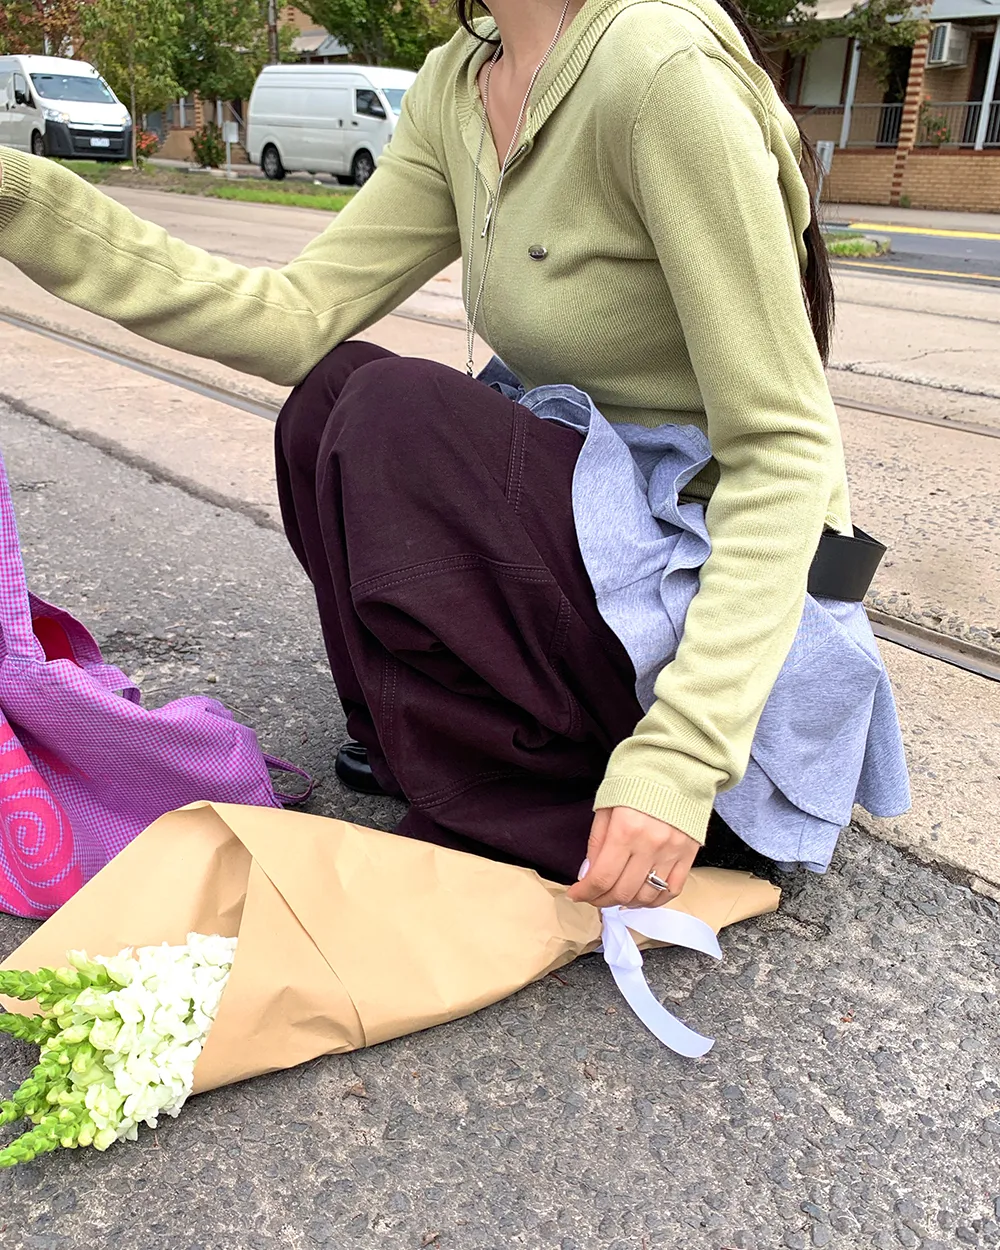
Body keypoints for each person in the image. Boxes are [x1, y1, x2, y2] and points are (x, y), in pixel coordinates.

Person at [0, 0, 909, 912]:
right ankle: (452, 763)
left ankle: (575, 804)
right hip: (601, 553)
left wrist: (680, 760)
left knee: (399, 412)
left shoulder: (658, 69)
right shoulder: (461, 79)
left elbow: (785, 449)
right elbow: (292, 320)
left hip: (711, 625)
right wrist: (16, 198)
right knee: (331, 394)